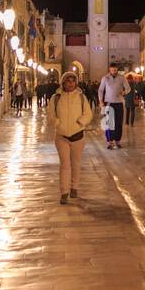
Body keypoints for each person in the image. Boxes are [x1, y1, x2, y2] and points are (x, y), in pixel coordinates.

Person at [51, 70, 92, 205]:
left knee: (75, 163)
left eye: (73, 81)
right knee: (64, 164)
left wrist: (81, 122)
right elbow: (50, 113)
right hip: (61, 136)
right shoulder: (56, 97)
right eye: (68, 81)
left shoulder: (81, 97)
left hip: (78, 136)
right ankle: (64, 192)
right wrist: (57, 123)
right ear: (63, 82)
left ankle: (74, 187)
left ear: (76, 82)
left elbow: (88, 113)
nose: (70, 83)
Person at [98, 63, 130, 149]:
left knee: (119, 123)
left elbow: (128, 88)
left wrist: (124, 92)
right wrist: (101, 101)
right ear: (109, 70)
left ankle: (117, 141)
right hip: (109, 103)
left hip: (119, 103)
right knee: (109, 123)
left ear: (117, 70)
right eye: (112, 70)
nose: (114, 72)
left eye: (115, 70)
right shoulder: (105, 78)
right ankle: (110, 141)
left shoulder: (122, 78)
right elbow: (100, 90)